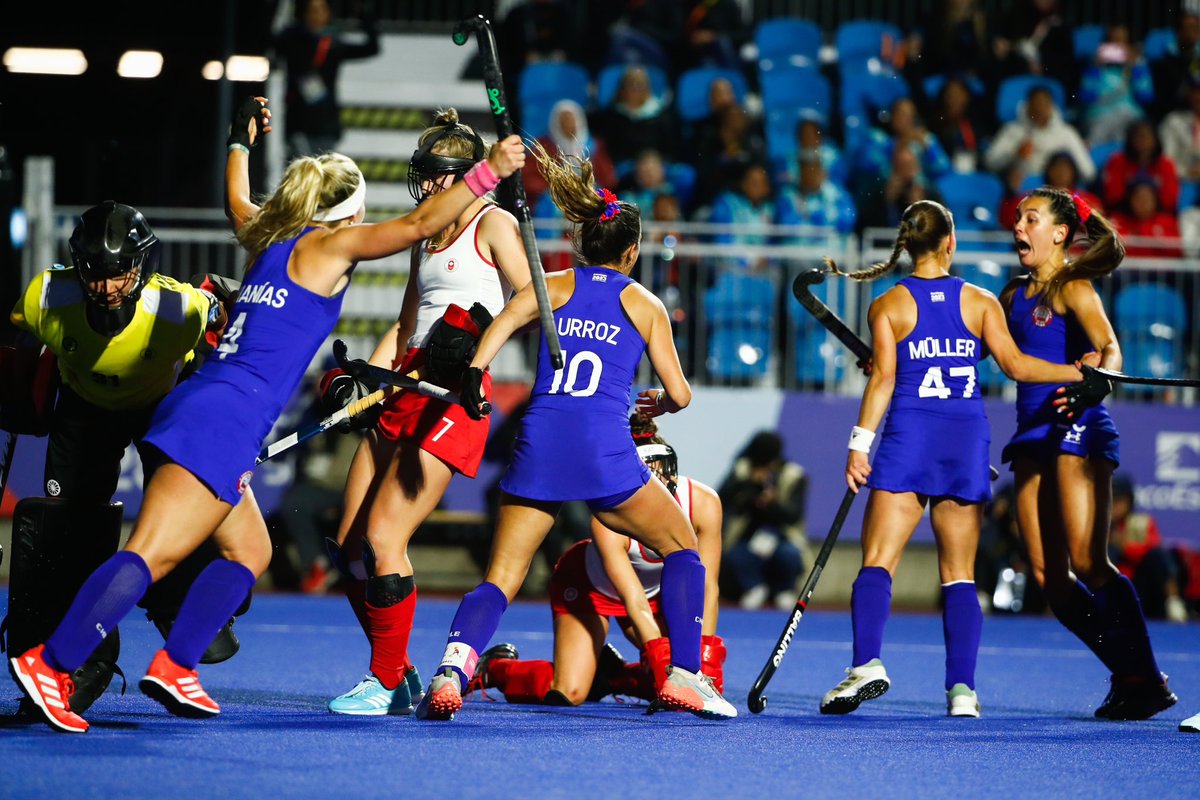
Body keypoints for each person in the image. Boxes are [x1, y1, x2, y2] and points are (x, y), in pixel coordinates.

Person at [8, 95, 527, 734]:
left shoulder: (272, 239)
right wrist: (488, 173)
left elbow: (237, 203)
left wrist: (239, 143)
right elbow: (420, 226)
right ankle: (51, 661)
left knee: (251, 550)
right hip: (225, 416)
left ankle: (176, 665)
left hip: (207, 407)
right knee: (151, 554)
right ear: (345, 212)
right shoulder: (330, 246)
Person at [413, 141, 737, 721]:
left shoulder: (553, 285)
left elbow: (504, 323)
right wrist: (659, 405)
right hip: (603, 450)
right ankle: (686, 675)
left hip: (539, 441)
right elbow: (682, 394)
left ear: (583, 243)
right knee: (682, 548)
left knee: (502, 578)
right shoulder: (645, 304)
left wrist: (474, 374)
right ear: (632, 252)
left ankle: (451, 672)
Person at [817, 199, 1089, 719]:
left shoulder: (888, 305)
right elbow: (1016, 366)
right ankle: (962, 692)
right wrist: (1080, 373)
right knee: (959, 574)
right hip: (964, 439)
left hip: (909, 437)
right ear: (951, 242)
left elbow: (883, 379)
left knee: (877, 562)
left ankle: (867, 664)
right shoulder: (983, 301)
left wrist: (858, 444)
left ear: (906, 246)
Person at [323, 109, 532, 716]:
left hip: (455, 397)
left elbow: (531, 302)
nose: (429, 189)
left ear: (465, 175)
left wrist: (477, 346)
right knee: (350, 546)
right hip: (409, 386)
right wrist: (367, 379)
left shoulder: (493, 225)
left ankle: (383, 683)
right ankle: (400, 672)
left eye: (437, 178)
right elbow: (405, 324)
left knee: (386, 537)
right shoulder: (427, 238)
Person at [3, 202, 239, 716]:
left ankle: (176, 606)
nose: (107, 286)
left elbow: (225, 322)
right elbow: (18, 332)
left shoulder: (178, 310)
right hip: (83, 413)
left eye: (120, 272)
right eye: (94, 272)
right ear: (77, 267)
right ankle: (74, 663)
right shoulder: (47, 295)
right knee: (70, 537)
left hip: (157, 412)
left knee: (178, 519)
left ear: (143, 267)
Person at [1002, 186, 1176, 720]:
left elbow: (1111, 348)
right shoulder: (1010, 295)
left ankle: (1141, 678)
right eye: (1017, 218)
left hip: (1077, 423)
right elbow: (977, 342)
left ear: (1060, 233)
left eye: (1031, 218)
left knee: (1087, 562)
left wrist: (1100, 379)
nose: (1018, 226)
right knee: (1051, 582)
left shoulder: (1074, 286)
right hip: (1031, 435)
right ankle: (1135, 677)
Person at [469, 414, 726, 706]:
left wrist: (703, 659)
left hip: (658, 596)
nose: (658, 485)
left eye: (662, 474)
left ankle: (611, 676)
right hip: (590, 587)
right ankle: (496, 669)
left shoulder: (705, 503)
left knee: (682, 679)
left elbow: (707, 589)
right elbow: (633, 600)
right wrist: (663, 662)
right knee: (568, 692)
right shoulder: (610, 515)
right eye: (648, 477)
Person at [274, 0, 380, 159]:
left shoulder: (334, 44)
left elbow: (372, 48)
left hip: (325, 124)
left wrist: (362, 14)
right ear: (303, 13)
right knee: (297, 174)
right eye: (311, 10)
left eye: (320, 10)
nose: (316, 15)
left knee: (323, 175)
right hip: (297, 122)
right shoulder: (291, 38)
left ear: (328, 14)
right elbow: (271, 40)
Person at [718, 431, 807, 610]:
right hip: (748, 535)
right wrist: (750, 487)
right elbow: (723, 497)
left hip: (782, 536)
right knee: (737, 554)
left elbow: (793, 515)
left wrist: (772, 503)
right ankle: (753, 587)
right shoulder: (743, 469)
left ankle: (785, 589)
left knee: (789, 554)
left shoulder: (793, 474)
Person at [984, 87, 1095, 191]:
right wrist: (1015, 153)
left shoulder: (1066, 133)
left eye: (1044, 103)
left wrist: (1064, 171)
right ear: (1027, 105)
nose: (1039, 108)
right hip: (1022, 192)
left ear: (1051, 106)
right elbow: (990, 163)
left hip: (1057, 192)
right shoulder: (1013, 131)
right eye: (1036, 103)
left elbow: (1088, 172)